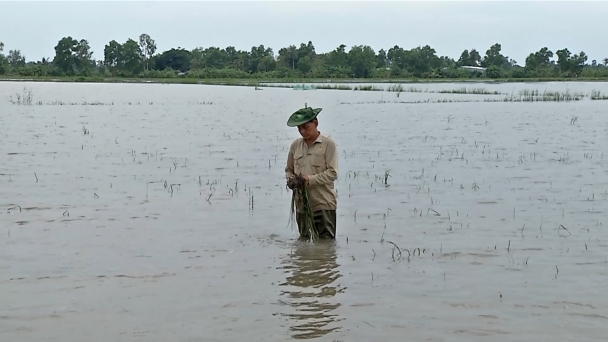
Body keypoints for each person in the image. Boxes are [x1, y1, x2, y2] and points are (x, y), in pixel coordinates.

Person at [285, 106, 338, 240]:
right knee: (304, 242)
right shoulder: (295, 145)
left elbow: (332, 173)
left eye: (305, 127)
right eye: (299, 128)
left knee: (326, 243)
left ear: (315, 123)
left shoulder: (328, 144)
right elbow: (289, 170)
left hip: (323, 204)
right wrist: (291, 180)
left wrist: (309, 180)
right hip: (302, 205)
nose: (302, 131)